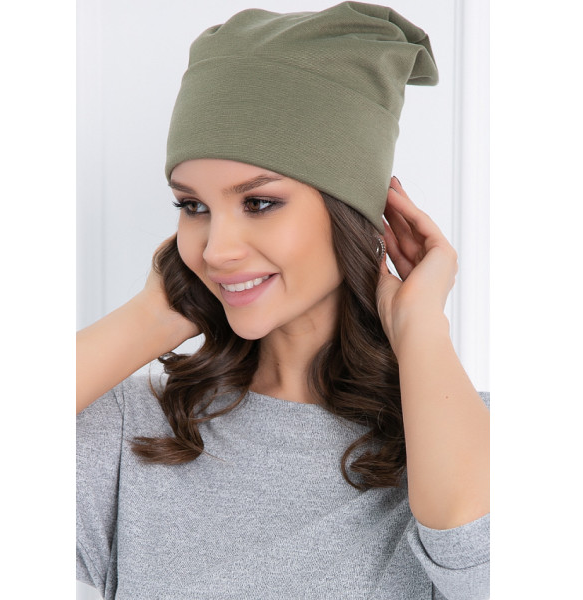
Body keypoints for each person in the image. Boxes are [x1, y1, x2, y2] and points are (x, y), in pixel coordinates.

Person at [76, 3, 490, 599]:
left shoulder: (467, 434)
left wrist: (421, 325)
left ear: (352, 210)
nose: (216, 249)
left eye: (259, 202)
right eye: (193, 206)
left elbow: (484, 564)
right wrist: (150, 318)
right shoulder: (139, 427)